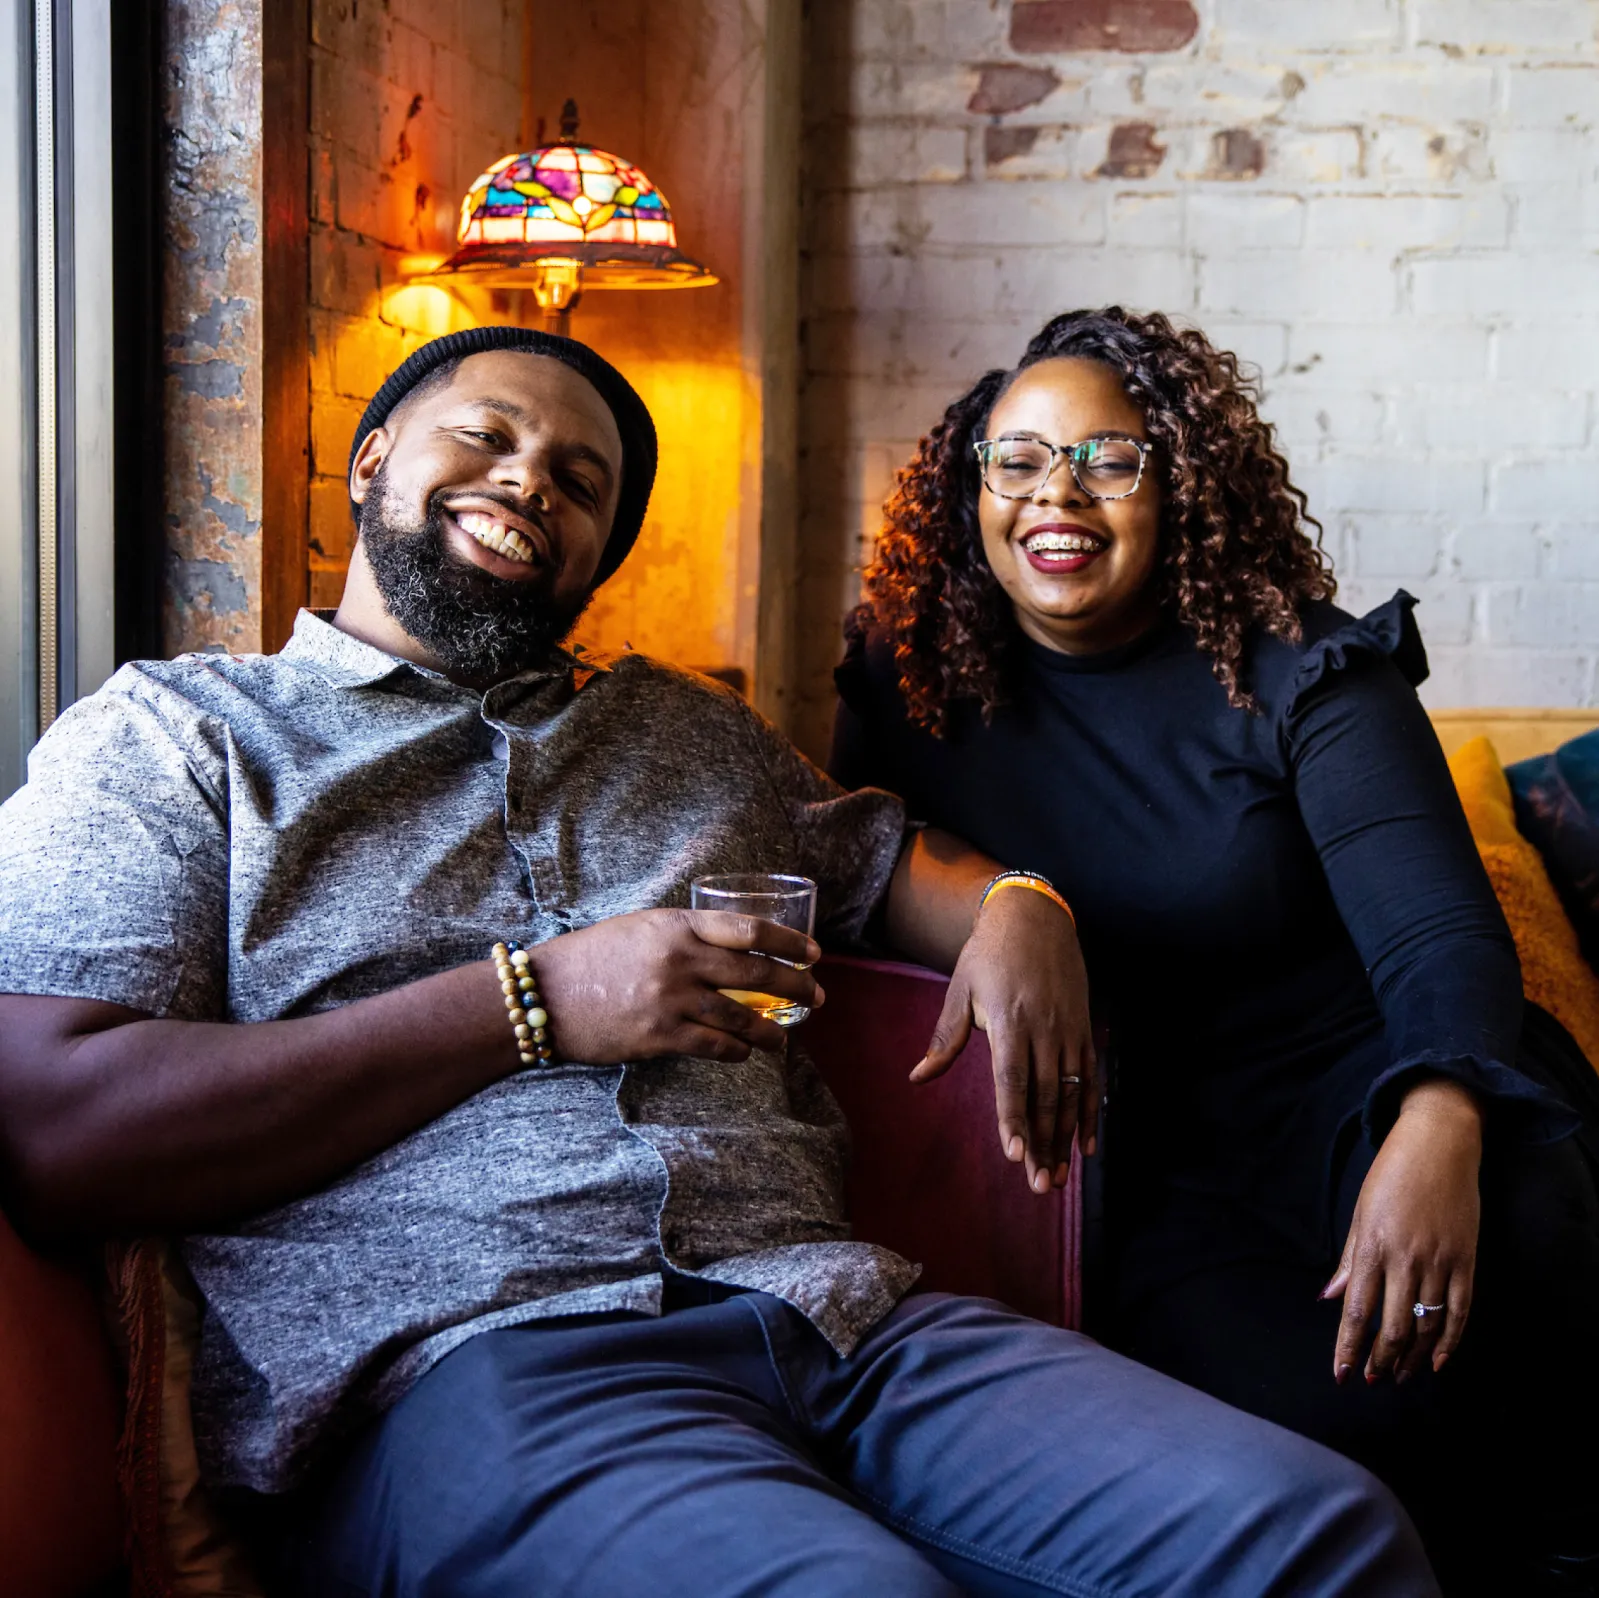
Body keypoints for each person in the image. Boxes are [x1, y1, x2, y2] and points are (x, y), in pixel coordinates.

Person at [0, 327, 1432, 1597]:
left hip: (842, 1317)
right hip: (471, 1373)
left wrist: (1021, 900)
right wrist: (535, 1001)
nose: (529, 485)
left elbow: (884, 859)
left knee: (1312, 1533)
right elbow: (60, 1125)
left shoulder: (681, 734)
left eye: (578, 484)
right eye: (487, 436)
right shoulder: (176, 741)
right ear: (373, 456)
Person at [829, 306, 1599, 1597]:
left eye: (1106, 458)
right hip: (1140, 1161)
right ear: (971, 489)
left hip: (1366, 1086)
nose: (1052, 494)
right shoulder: (907, 673)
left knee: (1523, 1216)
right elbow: (869, 878)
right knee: (1341, 1420)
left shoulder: (1301, 664)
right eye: (1013, 461)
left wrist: (1436, 1119)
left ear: (1176, 480)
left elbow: (1434, 930)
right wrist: (1016, 900)